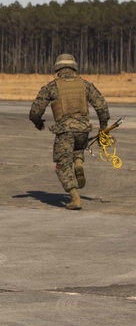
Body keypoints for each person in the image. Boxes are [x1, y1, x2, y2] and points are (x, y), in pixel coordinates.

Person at [28, 53, 110, 210]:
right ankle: (78, 162)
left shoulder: (52, 87)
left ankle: (75, 197)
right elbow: (102, 107)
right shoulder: (85, 85)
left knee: (62, 165)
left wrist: (39, 123)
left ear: (57, 68)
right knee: (78, 148)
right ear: (74, 68)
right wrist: (103, 127)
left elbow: (35, 112)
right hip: (83, 130)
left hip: (65, 131)